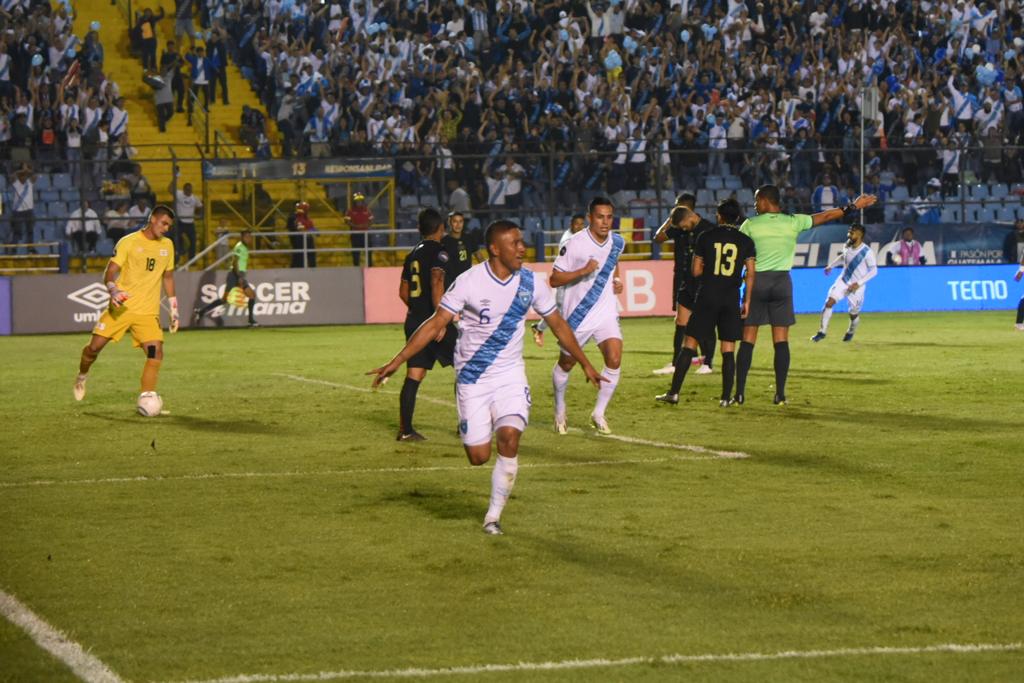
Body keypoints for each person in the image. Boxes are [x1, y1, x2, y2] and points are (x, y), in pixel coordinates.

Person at [368, 220, 606, 535]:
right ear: (495, 249)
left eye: (522, 242)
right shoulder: (469, 282)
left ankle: (493, 517)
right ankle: (483, 429)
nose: (522, 248)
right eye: (515, 243)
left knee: (509, 439)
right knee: (478, 457)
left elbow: (559, 324)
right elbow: (435, 322)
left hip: (510, 375)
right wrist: (397, 360)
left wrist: (586, 363)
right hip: (472, 377)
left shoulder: (532, 282)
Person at [734, 185, 877, 405]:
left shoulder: (749, 225)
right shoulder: (793, 221)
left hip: (757, 282)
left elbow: (738, 254)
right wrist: (853, 206)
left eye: (756, 200)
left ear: (764, 200)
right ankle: (780, 394)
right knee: (781, 341)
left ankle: (739, 394)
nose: (754, 205)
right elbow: (827, 215)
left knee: (748, 339)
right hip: (782, 282)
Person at [73, 205, 179, 404]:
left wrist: (174, 310)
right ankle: (81, 376)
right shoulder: (128, 242)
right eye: (164, 223)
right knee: (93, 349)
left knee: (155, 352)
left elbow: (169, 277)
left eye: (169, 226)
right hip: (121, 308)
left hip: (147, 314)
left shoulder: (167, 245)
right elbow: (110, 272)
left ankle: (147, 397)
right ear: (152, 219)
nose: (166, 228)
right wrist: (113, 289)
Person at [656, 199, 756, 406]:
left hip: (707, 294)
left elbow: (696, 271)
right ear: (737, 217)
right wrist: (746, 300)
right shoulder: (746, 241)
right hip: (730, 298)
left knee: (690, 344)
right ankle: (726, 398)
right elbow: (751, 274)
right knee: (728, 349)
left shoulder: (706, 236)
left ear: (719, 215)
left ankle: (674, 393)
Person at [549, 197, 624, 435]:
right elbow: (554, 279)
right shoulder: (574, 244)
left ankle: (598, 413)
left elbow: (613, 263)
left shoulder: (617, 241)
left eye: (609, 217)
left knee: (614, 358)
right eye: (600, 217)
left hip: (605, 311)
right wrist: (583, 271)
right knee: (566, 364)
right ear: (590, 217)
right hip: (578, 315)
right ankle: (560, 410)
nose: (605, 222)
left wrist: (617, 279)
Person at [394, 208, 458, 440]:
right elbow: (437, 280)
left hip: (413, 321)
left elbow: (403, 292)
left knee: (414, 374)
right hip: (435, 320)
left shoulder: (412, 254)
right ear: (441, 228)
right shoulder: (440, 251)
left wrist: (418, 310)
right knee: (466, 364)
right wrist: (439, 320)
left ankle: (405, 431)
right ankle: (468, 425)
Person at [651, 193, 717, 377]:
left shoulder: (708, 229)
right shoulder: (679, 226)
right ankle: (676, 361)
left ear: (690, 210)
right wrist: (672, 218)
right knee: (681, 322)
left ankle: (708, 361)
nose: (682, 228)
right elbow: (658, 238)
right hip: (684, 279)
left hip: (703, 283)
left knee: (704, 322)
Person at [811, 223, 878, 343]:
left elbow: (874, 271)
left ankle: (851, 331)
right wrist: (831, 266)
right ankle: (822, 332)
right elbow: (844, 257)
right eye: (849, 231)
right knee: (829, 302)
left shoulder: (867, 252)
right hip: (843, 280)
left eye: (852, 232)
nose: (849, 234)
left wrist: (859, 283)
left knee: (853, 314)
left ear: (859, 234)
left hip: (857, 287)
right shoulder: (847, 245)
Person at [531, 213, 585, 346]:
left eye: (581, 224)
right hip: (564, 279)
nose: (579, 226)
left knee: (562, 311)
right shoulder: (568, 240)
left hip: (573, 279)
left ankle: (540, 328)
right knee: (562, 311)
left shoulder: (579, 236)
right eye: (576, 224)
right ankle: (564, 338)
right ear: (571, 224)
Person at [193, 230, 258, 327]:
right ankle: (201, 311)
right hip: (234, 275)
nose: (249, 239)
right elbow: (235, 262)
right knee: (226, 299)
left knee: (250, 296)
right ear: (242, 237)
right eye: (247, 237)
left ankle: (251, 320)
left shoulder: (244, 247)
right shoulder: (239, 247)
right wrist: (239, 277)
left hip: (238, 275)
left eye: (250, 237)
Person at [440, 211, 474, 288]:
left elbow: (480, 257)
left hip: (467, 282)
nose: (458, 225)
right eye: (455, 221)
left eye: (460, 221)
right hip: (451, 283)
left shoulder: (469, 238)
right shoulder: (443, 242)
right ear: (449, 222)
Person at [172, 178, 202, 264]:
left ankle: (191, 260)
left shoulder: (194, 198)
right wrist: (176, 177)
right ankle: (177, 257)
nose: (189, 191)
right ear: (184, 189)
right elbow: (170, 189)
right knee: (176, 239)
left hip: (190, 222)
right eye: (188, 190)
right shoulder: (179, 194)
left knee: (193, 240)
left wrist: (198, 215)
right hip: (180, 221)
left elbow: (200, 206)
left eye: (190, 190)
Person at [9, 165, 37, 254]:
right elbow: (12, 176)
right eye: (22, 176)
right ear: (19, 176)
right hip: (17, 211)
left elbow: (35, 177)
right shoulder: (16, 183)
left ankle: (30, 248)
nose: (24, 177)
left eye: (25, 176)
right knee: (17, 231)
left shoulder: (29, 183)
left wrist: (27, 170)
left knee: (30, 231)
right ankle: (13, 249)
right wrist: (21, 171)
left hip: (29, 210)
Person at [346, 193, 372, 266]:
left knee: (369, 252)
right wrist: (355, 226)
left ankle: (370, 266)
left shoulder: (367, 210)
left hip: (366, 234)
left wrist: (366, 225)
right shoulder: (350, 211)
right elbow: (347, 221)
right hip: (356, 235)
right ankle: (356, 267)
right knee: (356, 252)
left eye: (360, 201)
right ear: (354, 202)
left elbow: (371, 220)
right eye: (357, 201)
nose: (359, 202)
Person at [288, 202, 316, 268]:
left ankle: (313, 271)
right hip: (299, 241)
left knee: (311, 257)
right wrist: (310, 230)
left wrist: (312, 230)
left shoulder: (308, 219)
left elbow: (313, 229)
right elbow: (300, 229)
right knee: (299, 258)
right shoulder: (295, 219)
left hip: (308, 240)